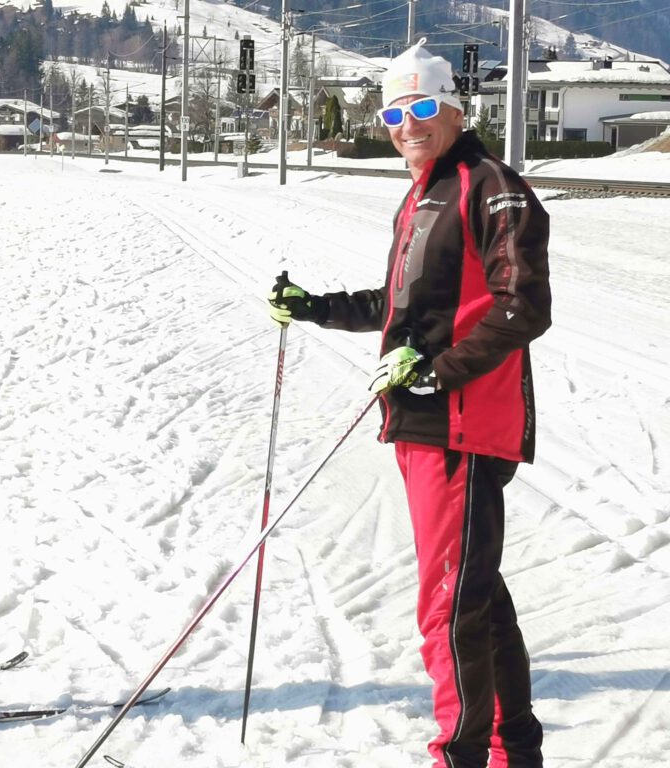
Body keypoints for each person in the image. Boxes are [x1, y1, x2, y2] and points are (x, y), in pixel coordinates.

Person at [268, 39, 550, 768]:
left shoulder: (490, 185)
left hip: (461, 421)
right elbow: (402, 307)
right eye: (395, 110)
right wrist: (315, 307)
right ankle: (514, 750)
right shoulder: (425, 190)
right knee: (475, 596)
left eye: (424, 106)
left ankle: (459, 756)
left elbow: (524, 307)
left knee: (448, 605)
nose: (407, 123)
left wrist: (437, 372)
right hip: (427, 420)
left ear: (458, 108)